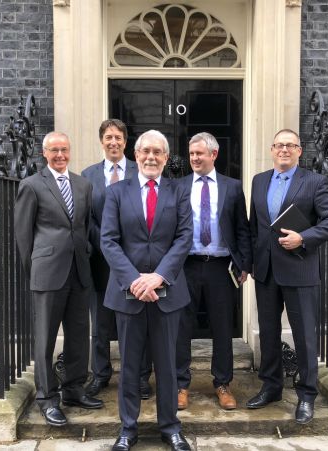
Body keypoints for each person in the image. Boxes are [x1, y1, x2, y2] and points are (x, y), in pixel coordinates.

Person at [101, 130, 193, 451]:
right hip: (128, 293)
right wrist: (135, 280)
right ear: (135, 155)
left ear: (166, 158)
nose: (151, 157)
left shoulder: (178, 191)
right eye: (145, 152)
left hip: (168, 292)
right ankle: (128, 428)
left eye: (158, 152)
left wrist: (158, 277)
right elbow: (109, 240)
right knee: (128, 366)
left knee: (167, 364)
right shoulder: (116, 192)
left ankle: (170, 427)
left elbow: (184, 238)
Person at [247, 129, 328, 424]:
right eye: (279, 145)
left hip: (299, 269)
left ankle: (306, 395)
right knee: (269, 332)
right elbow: (255, 227)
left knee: (304, 336)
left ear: (300, 151)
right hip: (265, 271)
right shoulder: (259, 180)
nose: (284, 150)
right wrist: (250, 263)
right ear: (272, 149)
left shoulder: (314, 182)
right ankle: (272, 386)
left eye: (290, 145)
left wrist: (303, 237)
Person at [14, 132, 103, 427]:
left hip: (79, 271)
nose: (60, 155)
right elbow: (23, 236)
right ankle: (47, 398)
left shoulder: (83, 184)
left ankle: (74, 390)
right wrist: (35, 269)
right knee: (45, 339)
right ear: (44, 153)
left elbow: (88, 226)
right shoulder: (31, 185)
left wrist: (88, 250)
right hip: (48, 273)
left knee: (79, 335)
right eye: (54, 150)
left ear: (70, 151)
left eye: (64, 149)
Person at [175, 132, 251, 411]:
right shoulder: (178, 186)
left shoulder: (232, 187)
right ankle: (180, 385)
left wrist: (245, 264)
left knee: (222, 327)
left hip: (221, 267)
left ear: (213, 155)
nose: (194, 158)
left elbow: (243, 229)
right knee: (181, 327)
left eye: (200, 154)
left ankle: (222, 383)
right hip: (186, 266)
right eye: (191, 154)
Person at [81, 119, 152, 399]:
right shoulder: (88, 176)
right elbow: (85, 219)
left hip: (136, 261)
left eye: (118, 138)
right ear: (101, 141)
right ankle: (100, 375)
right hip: (101, 260)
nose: (113, 142)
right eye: (108, 137)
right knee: (100, 323)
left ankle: (141, 377)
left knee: (138, 321)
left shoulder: (140, 170)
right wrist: (107, 245)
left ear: (126, 142)